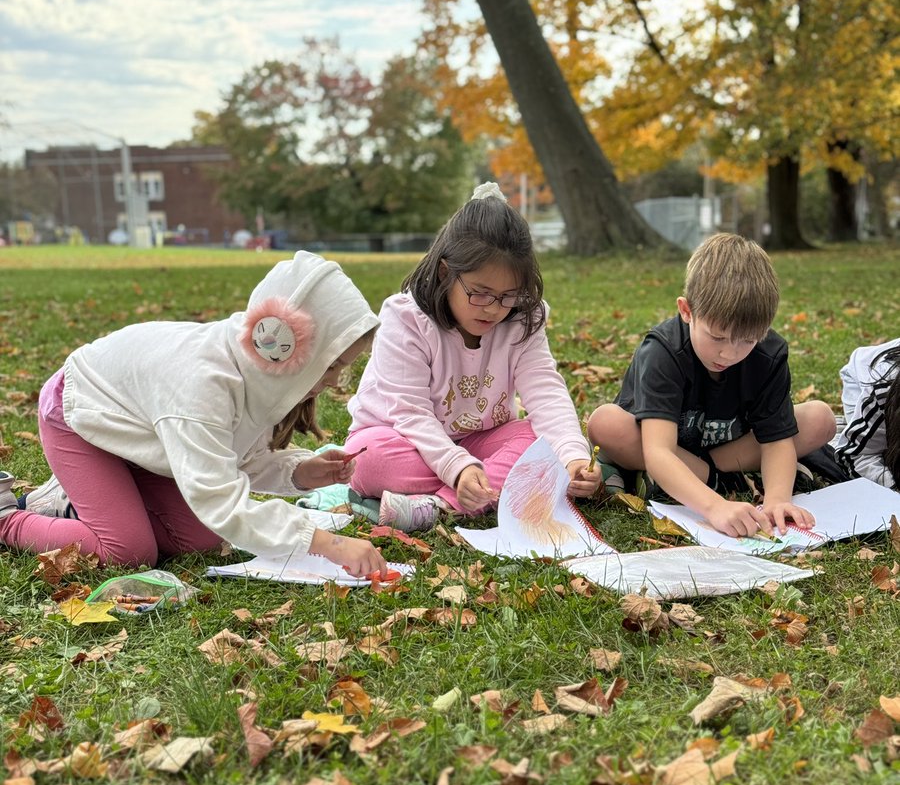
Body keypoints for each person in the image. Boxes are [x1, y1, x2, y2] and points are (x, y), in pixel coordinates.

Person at [0, 253, 389, 577]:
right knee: (127, 551)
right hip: (80, 418)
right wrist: (327, 543)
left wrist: (300, 472)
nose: (336, 381)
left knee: (199, 539)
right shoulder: (202, 386)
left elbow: (233, 460)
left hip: (141, 433)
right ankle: (8, 517)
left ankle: (89, 500)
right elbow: (220, 500)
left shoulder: (261, 376)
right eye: (332, 365)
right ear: (283, 345)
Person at [344, 182, 605, 532]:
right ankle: (475, 488)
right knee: (366, 461)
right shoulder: (406, 318)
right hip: (400, 438)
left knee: (540, 445)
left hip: (480, 441)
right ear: (445, 272)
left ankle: (438, 507)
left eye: (508, 295)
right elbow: (410, 412)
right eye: (480, 294)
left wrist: (572, 455)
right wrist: (458, 467)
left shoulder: (523, 320)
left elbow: (545, 391)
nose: (495, 309)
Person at [587, 233, 836, 538]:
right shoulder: (663, 351)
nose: (729, 354)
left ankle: (693, 477)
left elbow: (776, 439)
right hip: (662, 444)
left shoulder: (768, 356)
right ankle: (720, 480)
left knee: (820, 420)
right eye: (717, 337)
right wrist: (715, 506)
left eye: (747, 340)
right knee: (606, 423)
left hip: (729, 448)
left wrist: (777, 500)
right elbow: (659, 451)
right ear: (686, 310)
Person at [832, 338, 900, 488]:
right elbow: (856, 455)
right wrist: (893, 488)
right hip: (858, 380)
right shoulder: (883, 388)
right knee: (880, 450)